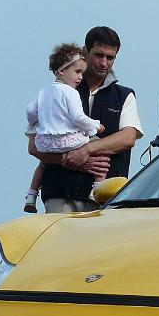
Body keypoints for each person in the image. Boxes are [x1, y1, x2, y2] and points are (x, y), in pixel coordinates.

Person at [29, 26, 143, 213]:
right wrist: (69, 159)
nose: (104, 63)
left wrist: (86, 151)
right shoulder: (57, 92)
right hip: (60, 193)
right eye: (99, 55)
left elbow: (128, 137)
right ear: (85, 52)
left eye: (110, 57)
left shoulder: (124, 95)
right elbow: (34, 145)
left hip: (107, 198)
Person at [23, 43, 105, 213]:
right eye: (77, 72)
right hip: (68, 140)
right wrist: (95, 126)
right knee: (99, 148)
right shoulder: (71, 92)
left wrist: (34, 124)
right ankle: (96, 189)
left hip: (46, 142)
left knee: (43, 163)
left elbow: (30, 110)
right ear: (61, 71)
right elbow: (78, 118)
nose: (80, 77)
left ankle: (31, 195)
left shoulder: (44, 91)